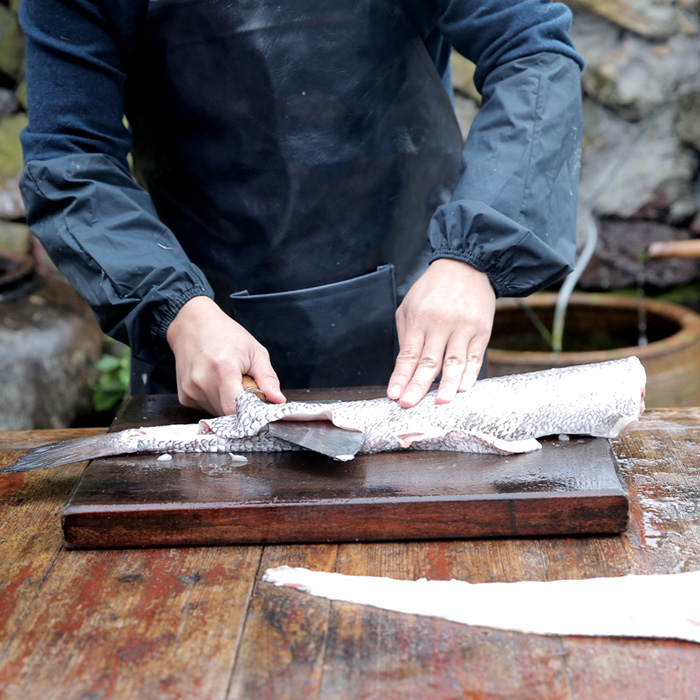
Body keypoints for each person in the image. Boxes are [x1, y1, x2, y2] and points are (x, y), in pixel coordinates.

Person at [18, 0, 584, 417]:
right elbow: (71, 157)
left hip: (421, 336)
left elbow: (530, 48)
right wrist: (175, 309)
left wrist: (473, 257)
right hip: (203, 350)